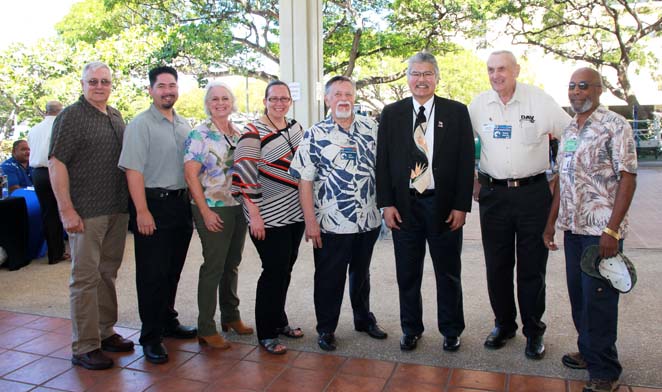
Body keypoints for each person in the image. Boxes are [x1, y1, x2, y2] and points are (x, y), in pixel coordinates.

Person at [468, 50, 571, 359]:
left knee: (531, 268)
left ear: (516, 70)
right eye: (490, 69)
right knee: (496, 266)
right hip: (494, 197)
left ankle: (533, 330)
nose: (496, 74)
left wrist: (558, 176)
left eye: (502, 68)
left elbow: (572, 133)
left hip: (533, 195)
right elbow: (459, 145)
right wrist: (471, 177)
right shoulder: (478, 105)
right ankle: (504, 324)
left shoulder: (539, 101)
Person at [543, 68, 637, 392]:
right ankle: (589, 352)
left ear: (599, 90)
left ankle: (605, 370)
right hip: (572, 229)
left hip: (600, 234)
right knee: (579, 298)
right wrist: (551, 222)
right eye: (571, 86)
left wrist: (612, 232)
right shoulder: (569, 128)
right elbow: (561, 179)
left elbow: (628, 176)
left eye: (583, 86)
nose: (576, 92)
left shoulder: (615, 125)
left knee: (599, 301)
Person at [376, 51, 474, 352]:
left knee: (448, 271)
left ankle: (451, 329)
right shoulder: (391, 113)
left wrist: (461, 205)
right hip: (405, 207)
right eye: (416, 74)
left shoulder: (456, 112)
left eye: (427, 74)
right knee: (407, 272)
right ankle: (411, 328)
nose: (421, 80)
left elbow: (465, 161)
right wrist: (386, 204)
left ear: (437, 77)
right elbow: (383, 162)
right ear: (407, 78)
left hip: (442, 206)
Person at [290, 76, 386, 352]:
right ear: (327, 99)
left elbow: (384, 168)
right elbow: (304, 180)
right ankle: (326, 329)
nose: (344, 98)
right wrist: (311, 222)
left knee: (361, 274)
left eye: (348, 93)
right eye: (337, 94)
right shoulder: (314, 134)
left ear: (354, 98)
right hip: (331, 223)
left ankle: (363, 319)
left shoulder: (372, 129)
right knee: (329, 277)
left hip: (367, 219)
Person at [49, 61, 134, 370]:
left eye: (105, 81)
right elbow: (56, 163)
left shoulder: (115, 115)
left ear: (111, 85)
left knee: (107, 273)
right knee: (84, 278)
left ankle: (104, 332)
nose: (100, 86)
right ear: (82, 84)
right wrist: (66, 209)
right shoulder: (71, 117)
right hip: (85, 212)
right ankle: (84, 346)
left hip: (116, 209)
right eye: (93, 81)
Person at [118, 66, 196, 365]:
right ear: (151, 90)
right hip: (153, 205)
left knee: (172, 270)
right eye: (161, 86)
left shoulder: (184, 123)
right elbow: (134, 171)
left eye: (172, 85)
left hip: (180, 206)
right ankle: (150, 337)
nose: (168, 91)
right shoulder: (140, 125)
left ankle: (167, 321)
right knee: (151, 274)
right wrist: (141, 211)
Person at [232, 80, 305, 355]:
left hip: (294, 213)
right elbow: (244, 176)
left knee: (284, 270)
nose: (279, 103)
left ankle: (279, 320)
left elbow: (304, 163)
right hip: (266, 215)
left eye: (284, 99)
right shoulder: (252, 132)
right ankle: (266, 332)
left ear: (290, 101)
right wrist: (255, 216)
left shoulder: (295, 127)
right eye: (273, 99)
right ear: (265, 101)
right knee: (273, 270)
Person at [183, 81, 252, 350]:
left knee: (231, 264)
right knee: (213, 266)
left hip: (237, 207)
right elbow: (190, 175)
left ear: (232, 102)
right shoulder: (199, 135)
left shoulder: (239, 133)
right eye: (215, 99)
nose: (220, 103)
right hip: (212, 207)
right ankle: (206, 327)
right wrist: (205, 211)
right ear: (207, 104)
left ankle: (231, 316)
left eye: (225, 98)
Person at [27, 101, 68, 264]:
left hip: (37, 173)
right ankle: (74, 250)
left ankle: (54, 253)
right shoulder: (61, 125)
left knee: (48, 212)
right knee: (67, 208)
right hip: (55, 170)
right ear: (60, 111)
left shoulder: (34, 129)